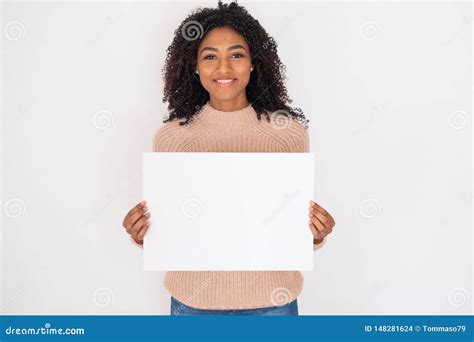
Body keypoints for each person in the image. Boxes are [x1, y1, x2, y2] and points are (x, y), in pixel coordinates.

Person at [122, 0, 336, 316]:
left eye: (236, 55)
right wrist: (144, 235)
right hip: (193, 307)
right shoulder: (172, 138)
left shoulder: (288, 134)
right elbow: (174, 231)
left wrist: (315, 235)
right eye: (210, 57)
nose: (224, 69)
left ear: (253, 62)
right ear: (194, 65)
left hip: (273, 306)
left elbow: (288, 232)